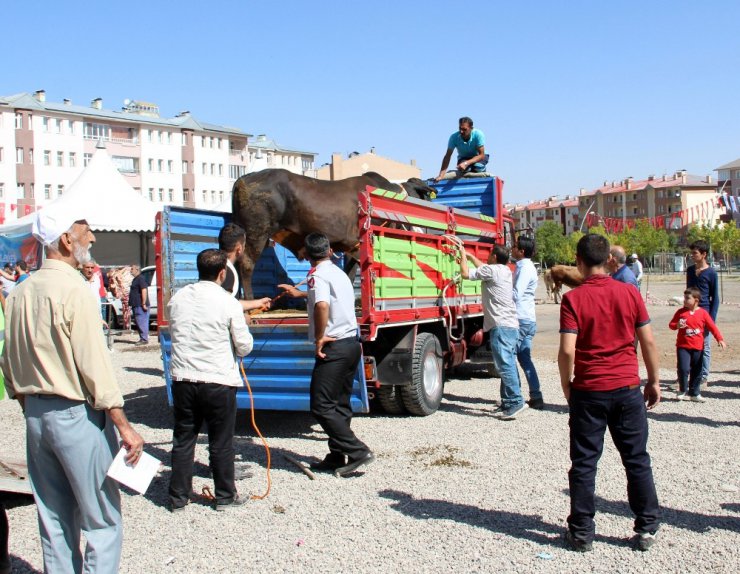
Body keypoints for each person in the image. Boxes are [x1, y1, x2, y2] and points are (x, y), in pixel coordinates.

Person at [2, 209, 144, 573]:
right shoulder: (75, 290)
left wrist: (28, 403)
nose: (92, 238)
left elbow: (8, 361)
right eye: (86, 230)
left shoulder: (19, 292)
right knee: (103, 520)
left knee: (53, 519)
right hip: (76, 414)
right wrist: (124, 425)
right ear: (66, 239)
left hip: (36, 414)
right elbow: (94, 366)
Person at [558, 234, 661, 553]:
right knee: (636, 459)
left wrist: (567, 386)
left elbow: (566, 351)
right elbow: (648, 342)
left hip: (589, 390)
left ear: (578, 260)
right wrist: (654, 380)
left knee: (585, 462)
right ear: (609, 260)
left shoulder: (573, 299)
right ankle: (646, 528)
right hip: (627, 388)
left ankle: (582, 532)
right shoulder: (629, 292)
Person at [279, 233, 374, 477]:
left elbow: (322, 305)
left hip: (334, 346)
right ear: (330, 251)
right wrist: (299, 295)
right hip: (351, 343)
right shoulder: (336, 272)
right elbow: (328, 298)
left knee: (320, 404)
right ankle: (336, 455)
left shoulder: (316, 275)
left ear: (306, 255)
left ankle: (358, 451)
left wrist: (319, 337)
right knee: (339, 403)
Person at [167, 249, 254, 511]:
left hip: (184, 378)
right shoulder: (228, 302)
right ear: (222, 273)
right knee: (221, 442)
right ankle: (225, 497)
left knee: (183, 439)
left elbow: (176, 331)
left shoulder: (178, 298)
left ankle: (177, 499)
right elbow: (244, 346)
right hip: (218, 380)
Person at [460, 244, 527, 420]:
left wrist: (461, 256)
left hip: (501, 326)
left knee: (504, 365)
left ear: (495, 257)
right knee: (508, 363)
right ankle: (508, 401)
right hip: (510, 325)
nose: (487, 257)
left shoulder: (493, 271)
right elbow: (483, 267)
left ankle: (515, 402)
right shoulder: (503, 270)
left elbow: (466, 274)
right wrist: (470, 256)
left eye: (490, 255)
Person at [669, 287, 726, 402]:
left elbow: (712, 327)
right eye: (684, 298)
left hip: (698, 347)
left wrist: (719, 339)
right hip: (683, 346)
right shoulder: (680, 312)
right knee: (683, 368)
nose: (684, 300)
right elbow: (671, 325)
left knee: (697, 370)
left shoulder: (703, 313)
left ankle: (695, 393)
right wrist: (677, 326)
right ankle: (682, 390)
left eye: (687, 298)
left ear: (696, 300)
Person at [511, 236, 543, 409]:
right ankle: (536, 396)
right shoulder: (527, 267)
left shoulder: (524, 268)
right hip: (528, 318)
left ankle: (513, 398)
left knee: (508, 357)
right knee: (525, 358)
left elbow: (517, 294)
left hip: (520, 319)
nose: (512, 248)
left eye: (515, 246)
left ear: (521, 251)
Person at [686, 240, 720, 386]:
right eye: (692, 253)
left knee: (704, 345)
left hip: (704, 313)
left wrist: (711, 319)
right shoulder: (690, 271)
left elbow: (715, 298)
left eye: (695, 253)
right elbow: (688, 293)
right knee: (687, 343)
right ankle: (685, 375)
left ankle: (703, 376)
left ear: (704, 254)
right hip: (690, 313)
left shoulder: (711, 273)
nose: (692, 256)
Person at [218, 223, 272, 312]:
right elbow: (225, 308)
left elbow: (230, 302)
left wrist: (258, 303)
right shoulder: (228, 272)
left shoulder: (213, 264)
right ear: (239, 249)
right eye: (244, 245)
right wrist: (242, 319)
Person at [435, 116, 489, 181]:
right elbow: (447, 156)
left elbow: (481, 155)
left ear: (471, 128)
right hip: (464, 158)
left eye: (464, 129)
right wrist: (441, 175)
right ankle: (469, 169)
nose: (461, 131)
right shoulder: (454, 137)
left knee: (478, 167)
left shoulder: (478, 134)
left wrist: (466, 163)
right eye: (460, 128)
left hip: (478, 157)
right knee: (464, 169)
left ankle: (480, 168)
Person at [128, 264, 150, 345]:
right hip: (135, 305)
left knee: (142, 321)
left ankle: (144, 339)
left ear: (137, 270)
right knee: (139, 322)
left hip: (140, 305)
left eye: (132, 269)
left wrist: (143, 303)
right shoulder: (135, 279)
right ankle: (142, 338)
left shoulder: (140, 279)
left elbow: (144, 290)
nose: (131, 271)